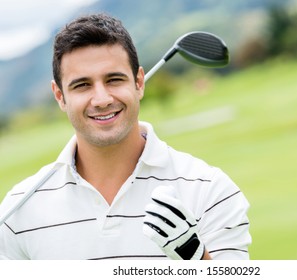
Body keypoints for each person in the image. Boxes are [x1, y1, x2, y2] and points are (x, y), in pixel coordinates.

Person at [0, 13, 251, 260]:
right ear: (59, 96)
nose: (102, 99)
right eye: (82, 85)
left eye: (114, 79)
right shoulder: (17, 211)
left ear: (139, 82)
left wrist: (195, 260)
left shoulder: (211, 190)